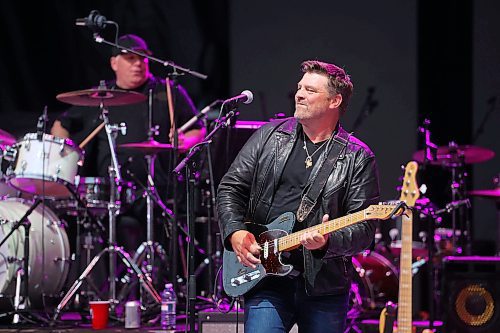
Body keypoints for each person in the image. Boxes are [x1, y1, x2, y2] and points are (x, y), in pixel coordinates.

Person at [217, 60, 380, 332]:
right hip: (265, 277)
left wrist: (327, 242)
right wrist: (235, 232)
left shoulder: (357, 157)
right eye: (299, 87)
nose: (299, 94)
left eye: (310, 90)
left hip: (323, 286)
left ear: (335, 100)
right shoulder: (269, 137)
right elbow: (231, 187)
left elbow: (364, 228)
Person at [51, 34, 205, 286]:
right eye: (130, 58)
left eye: (142, 59)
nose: (137, 64)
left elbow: (198, 129)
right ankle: (102, 290)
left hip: (161, 192)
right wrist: (65, 155)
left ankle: (162, 288)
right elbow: (61, 124)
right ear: (114, 63)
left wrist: (184, 141)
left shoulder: (167, 91)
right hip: (111, 193)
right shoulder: (100, 97)